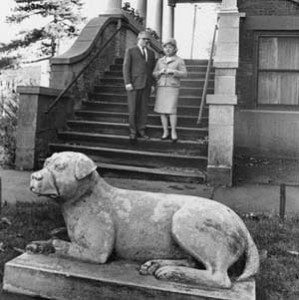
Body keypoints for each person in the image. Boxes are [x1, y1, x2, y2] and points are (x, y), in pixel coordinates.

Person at [123, 31, 156, 142]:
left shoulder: (151, 53)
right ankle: (133, 132)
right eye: (144, 39)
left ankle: (142, 130)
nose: (146, 41)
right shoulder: (131, 51)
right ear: (138, 39)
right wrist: (127, 83)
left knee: (143, 109)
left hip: (146, 85)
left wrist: (152, 84)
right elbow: (126, 68)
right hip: (134, 84)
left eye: (148, 40)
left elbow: (152, 70)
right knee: (133, 109)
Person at [153, 38, 187, 142]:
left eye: (170, 47)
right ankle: (165, 131)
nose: (167, 49)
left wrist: (174, 71)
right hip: (162, 87)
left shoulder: (179, 60)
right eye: (166, 47)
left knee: (172, 111)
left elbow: (185, 74)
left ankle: (173, 131)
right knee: (162, 111)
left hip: (172, 87)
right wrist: (160, 72)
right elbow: (154, 74)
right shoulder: (160, 61)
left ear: (174, 49)